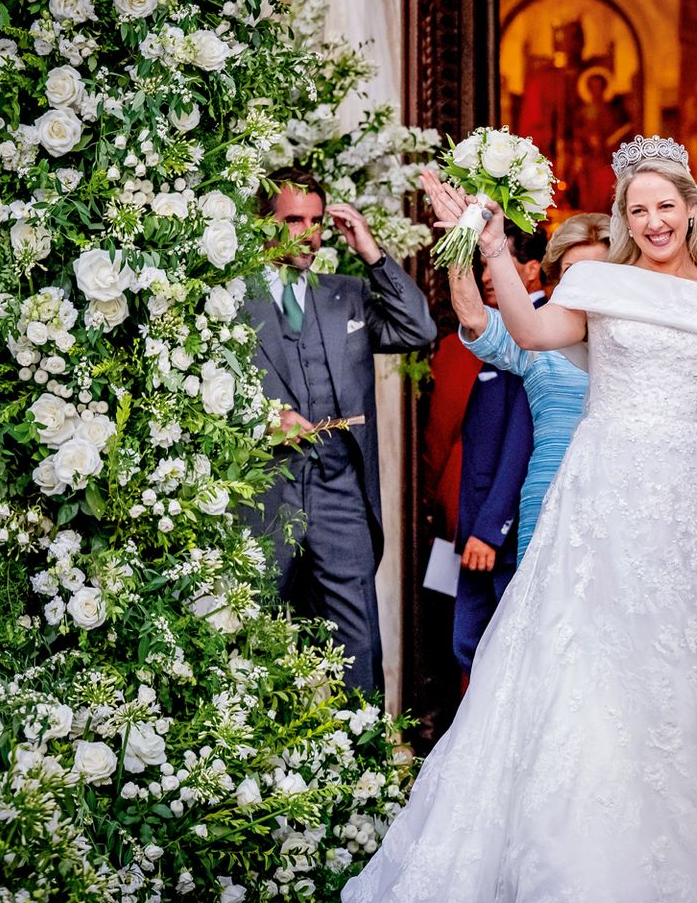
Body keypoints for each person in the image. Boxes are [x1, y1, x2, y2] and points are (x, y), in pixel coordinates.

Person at [275, 137, 697, 903]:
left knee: (693, 679)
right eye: (639, 208)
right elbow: (520, 326)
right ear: (624, 219)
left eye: (668, 205)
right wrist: (482, 243)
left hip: (689, 507)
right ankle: (578, 876)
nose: (655, 220)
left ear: (693, 209)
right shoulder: (597, 284)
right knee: (587, 672)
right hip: (601, 498)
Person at [248, 167, 436, 693]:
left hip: (340, 490)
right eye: (292, 220)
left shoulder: (346, 294)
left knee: (357, 643)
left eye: (315, 221)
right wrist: (263, 418)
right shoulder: (230, 298)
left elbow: (417, 329)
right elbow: (195, 388)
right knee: (250, 634)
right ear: (265, 224)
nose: (308, 233)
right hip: (264, 489)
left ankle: (365, 764)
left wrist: (372, 255)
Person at [456, 221, 593, 563]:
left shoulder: (643, 345)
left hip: (614, 505)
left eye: (601, 271)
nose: (592, 284)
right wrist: (462, 234)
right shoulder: (537, 338)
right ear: (558, 279)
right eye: (575, 273)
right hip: (542, 505)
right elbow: (474, 318)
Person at [445, 225, 546, 682]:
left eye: (495, 263)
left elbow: (522, 442)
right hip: (478, 530)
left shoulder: (539, 333)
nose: (487, 275)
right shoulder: (501, 324)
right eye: (483, 264)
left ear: (532, 269)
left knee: (501, 658)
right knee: (473, 649)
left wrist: (491, 529)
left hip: (503, 534)